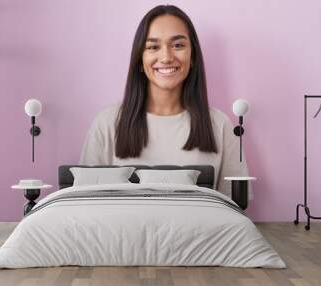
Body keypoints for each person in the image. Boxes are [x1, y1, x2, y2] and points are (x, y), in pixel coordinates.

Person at [79, 5, 249, 198]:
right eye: (153, 47)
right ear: (140, 60)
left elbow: (235, 207)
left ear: (192, 57)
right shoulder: (107, 123)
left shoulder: (220, 125)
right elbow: (86, 202)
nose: (167, 57)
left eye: (178, 45)